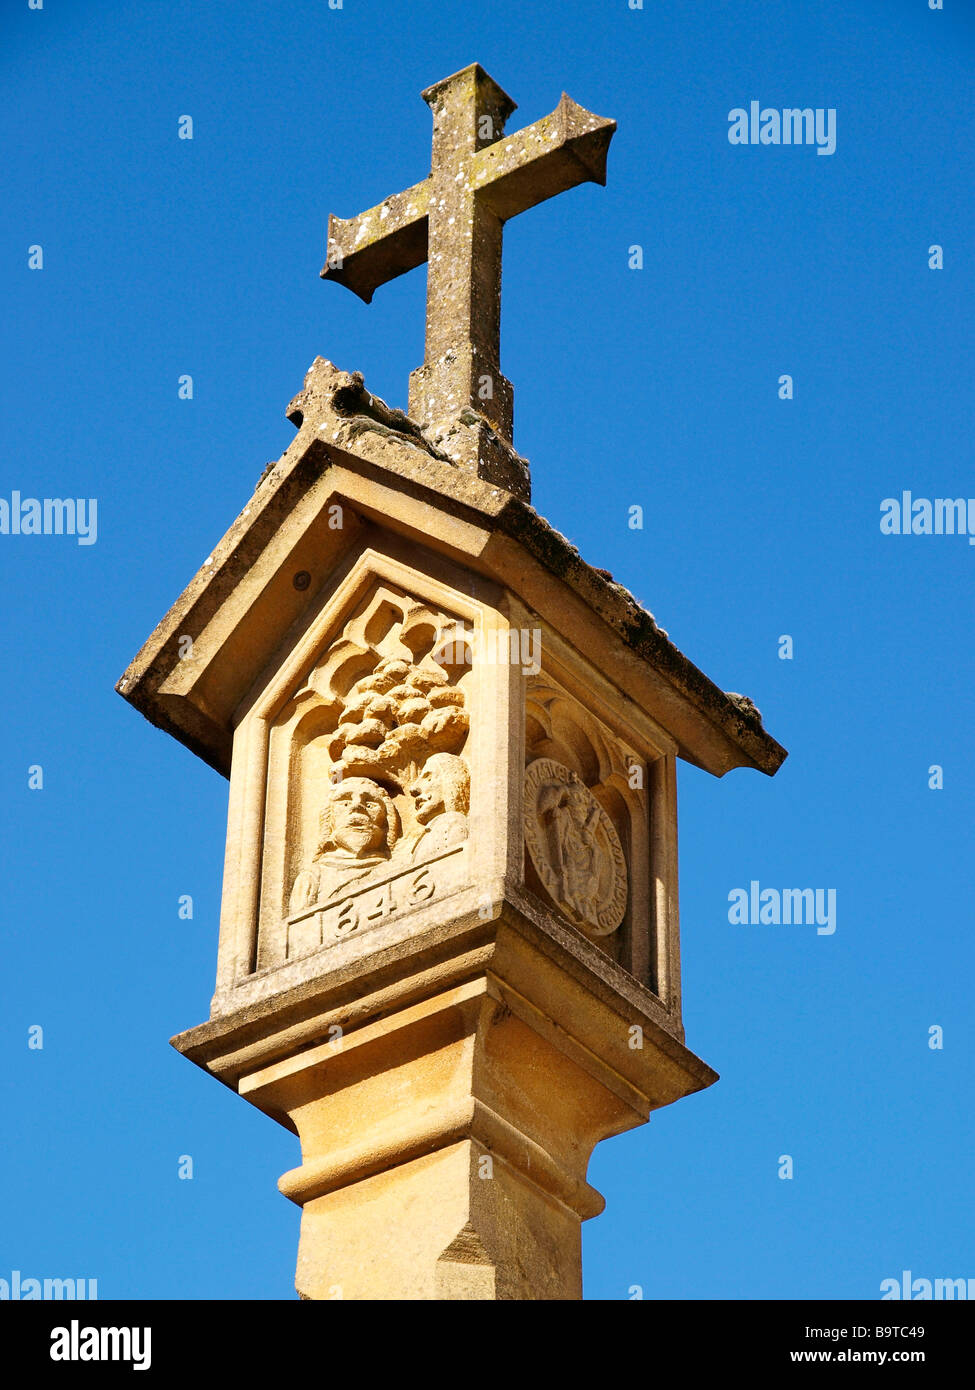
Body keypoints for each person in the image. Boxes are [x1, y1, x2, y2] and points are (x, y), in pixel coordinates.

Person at [290, 777, 400, 913]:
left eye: (370, 804)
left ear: (386, 821)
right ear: (329, 819)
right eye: (345, 803)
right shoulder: (312, 879)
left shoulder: (396, 867)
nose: (357, 807)